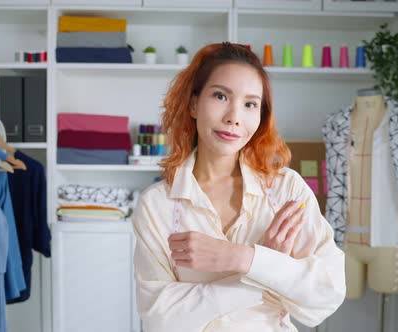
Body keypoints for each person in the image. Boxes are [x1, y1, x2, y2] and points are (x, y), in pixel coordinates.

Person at [132, 42, 346, 332]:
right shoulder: (158, 205)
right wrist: (263, 270)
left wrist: (241, 257)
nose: (234, 117)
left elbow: (325, 295)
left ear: (260, 116)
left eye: (250, 104)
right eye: (221, 96)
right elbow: (160, 318)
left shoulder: (286, 190)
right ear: (194, 104)